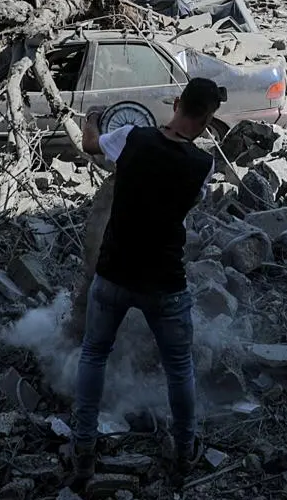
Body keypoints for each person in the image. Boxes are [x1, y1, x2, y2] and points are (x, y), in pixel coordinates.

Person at [68, 78, 222, 493]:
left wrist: (94, 117)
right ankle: (184, 455)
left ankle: (83, 451)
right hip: (165, 284)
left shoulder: (131, 136)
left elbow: (90, 145)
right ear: (206, 120)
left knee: (94, 355)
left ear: (176, 102)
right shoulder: (202, 165)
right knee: (179, 369)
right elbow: (189, 200)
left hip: (113, 273)